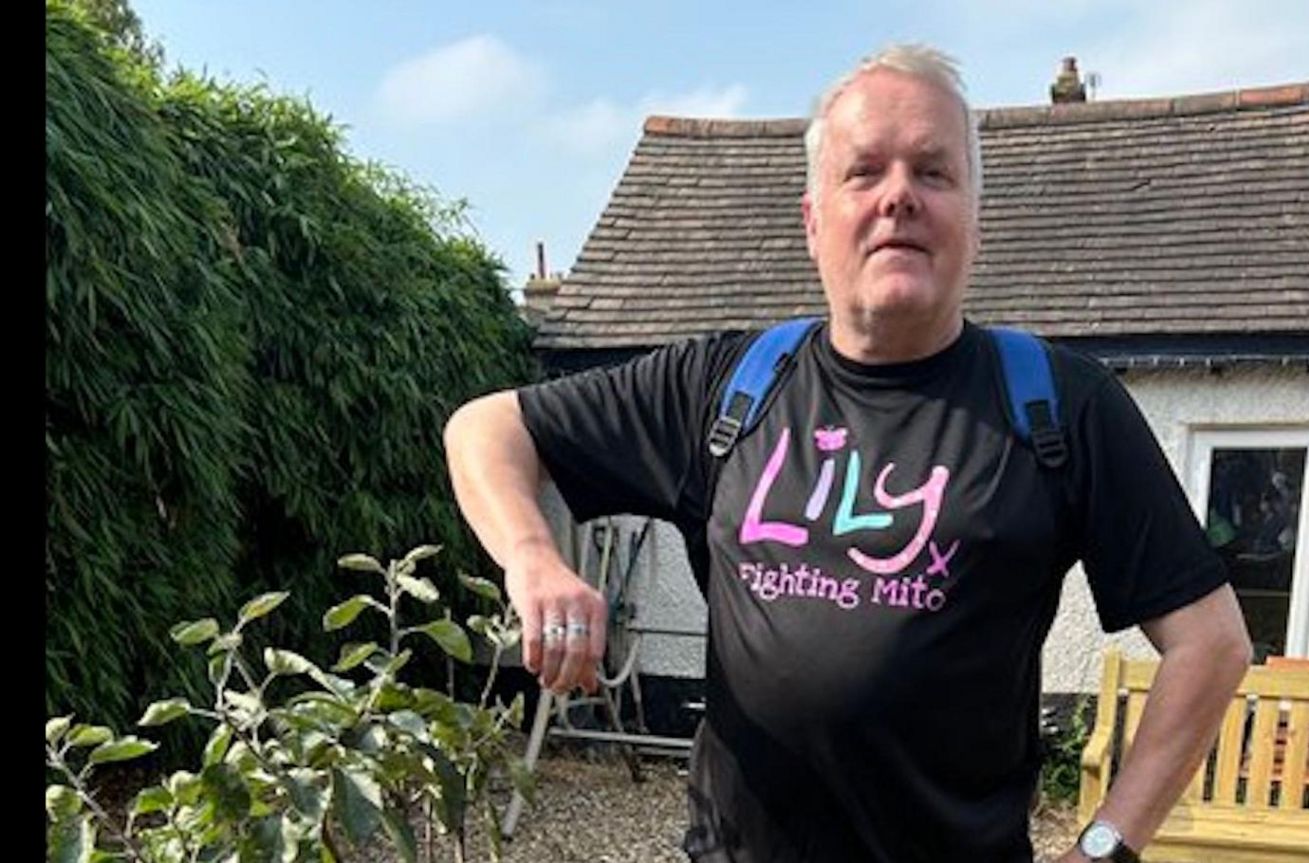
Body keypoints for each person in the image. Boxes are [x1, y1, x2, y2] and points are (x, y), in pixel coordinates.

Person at [444, 43, 1252, 863]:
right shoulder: (724, 386)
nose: (899, 196)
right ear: (813, 218)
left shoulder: (1061, 404)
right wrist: (534, 559)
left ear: (976, 215)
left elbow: (1212, 642)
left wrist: (1107, 845)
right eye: (864, 171)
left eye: (933, 172)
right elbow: (484, 428)